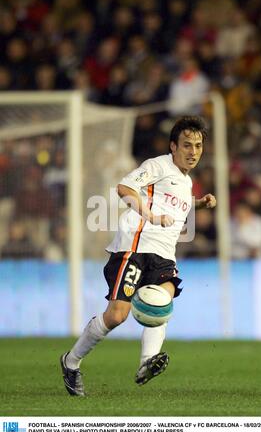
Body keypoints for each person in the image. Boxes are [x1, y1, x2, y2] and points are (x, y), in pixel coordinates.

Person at [60, 116, 217, 396]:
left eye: (198, 145)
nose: (193, 152)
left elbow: (174, 205)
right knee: (117, 316)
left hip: (164, 256)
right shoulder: (158, 165)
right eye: (186, 145)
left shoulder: (185, 181)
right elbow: (125, 188)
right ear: (173, 146)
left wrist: (198, 204)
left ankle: (146, 363)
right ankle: (71, 362)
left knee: (162, 302)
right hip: (135, 248)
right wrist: (149, 214)